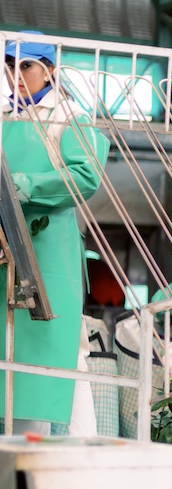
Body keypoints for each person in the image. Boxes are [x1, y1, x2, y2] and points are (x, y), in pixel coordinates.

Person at [2, 35, 109, 434]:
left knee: (48, 352)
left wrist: (26, 185)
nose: (16, 76)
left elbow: (86, 176)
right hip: (6, 247)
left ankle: (53, 445)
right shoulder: (5, 117)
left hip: (47, 253)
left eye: (26, 66)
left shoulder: (68, 117)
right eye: (9, 66)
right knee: (8, 350)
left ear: (48, 68)